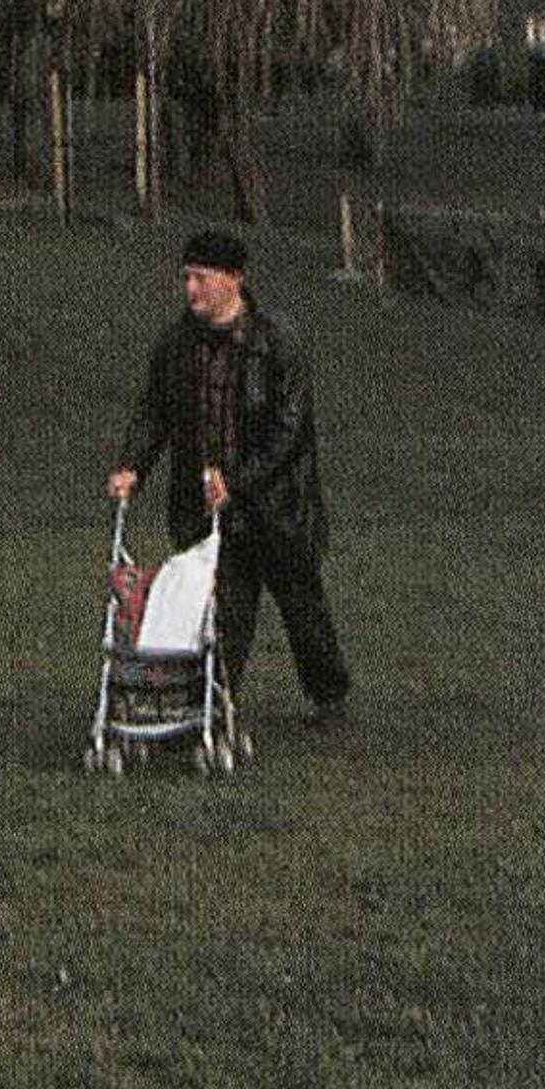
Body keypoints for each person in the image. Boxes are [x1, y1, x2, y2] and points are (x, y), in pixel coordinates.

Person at [106, 229, 352, 725]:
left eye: (201, 277)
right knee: (221, 610)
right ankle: (214, 704)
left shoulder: (278, 343)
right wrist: (132, 465)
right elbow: (155, 412)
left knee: (302, 606)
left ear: (233, 279)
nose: (191, 289)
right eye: (186, 278)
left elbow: (290, 431)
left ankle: (330, 695)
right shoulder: (176, 345)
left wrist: (237, 482)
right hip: (209, 511)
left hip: (278, 506)